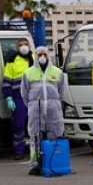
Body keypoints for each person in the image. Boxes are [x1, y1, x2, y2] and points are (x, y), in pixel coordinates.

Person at [23, 46, 64, 176]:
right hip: (36, 108)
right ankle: (35, 164)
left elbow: (61, 92)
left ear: (48, 55)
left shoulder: (57, 72)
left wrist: (55, 104)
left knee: (54, 134)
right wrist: (32, 105)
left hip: (53, 108)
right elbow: (24, 93)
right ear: (35, 56)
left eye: (44, 54)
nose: (42, 57)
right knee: (35, 136)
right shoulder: (28, 73)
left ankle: (53, 161)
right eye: (39, 54)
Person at [2, 37, 33, 160]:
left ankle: (37, 149)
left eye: (26, 44)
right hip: (18, 97)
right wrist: (8, 97)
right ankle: (19, 151)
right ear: (17, 47)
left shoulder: (35, 59)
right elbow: (6, 80)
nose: (24, 46)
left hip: (34, 97)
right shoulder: (12, 60)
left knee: (36, 124)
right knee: (18, 125)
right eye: (21, 45)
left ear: (29, 46)